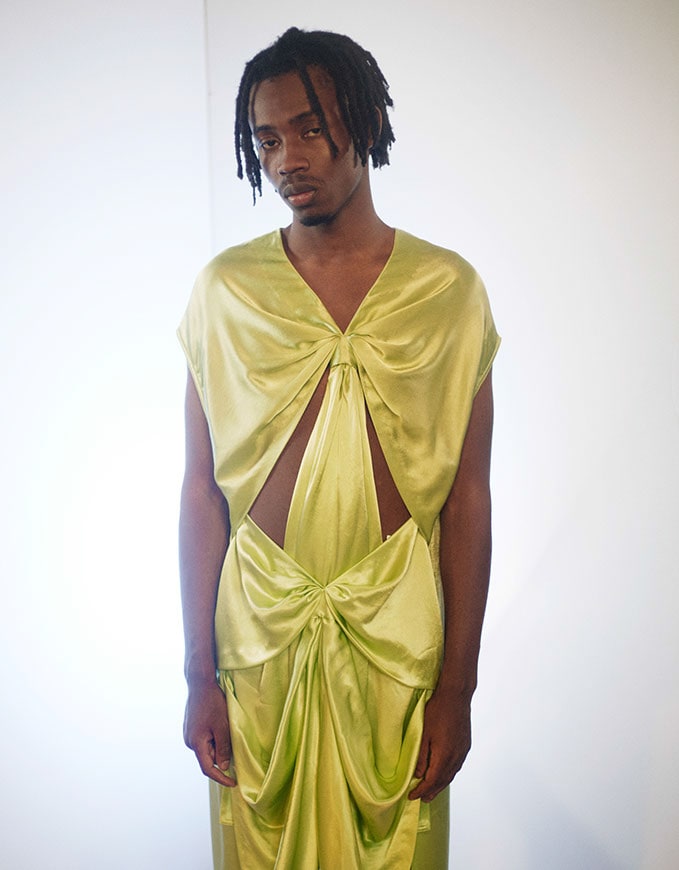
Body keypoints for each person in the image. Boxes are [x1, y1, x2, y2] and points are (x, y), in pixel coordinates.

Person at [178, 27, 500, 870]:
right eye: (265, 140)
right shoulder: (225, 293)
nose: (287, 159)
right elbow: (201, 491)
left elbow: (467, 497)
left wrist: (458, 688)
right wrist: (199, 675)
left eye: (310, 129)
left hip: (395, 645)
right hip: (258, 647)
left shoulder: (447, 291)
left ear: (365, 122)